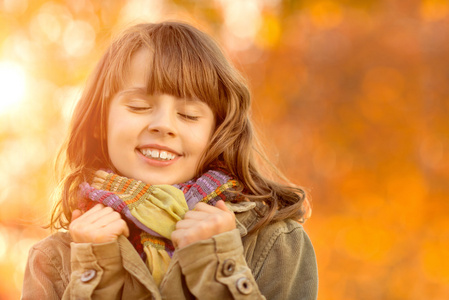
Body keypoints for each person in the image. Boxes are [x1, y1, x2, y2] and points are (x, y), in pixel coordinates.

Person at [22, 21, 318, 299]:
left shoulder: (277, 242)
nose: (164, 125)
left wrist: (216, 268)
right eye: (139, 106)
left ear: (217, 131)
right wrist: (95, 273)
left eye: (188, 114)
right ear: (101, 123)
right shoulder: (53, 259)